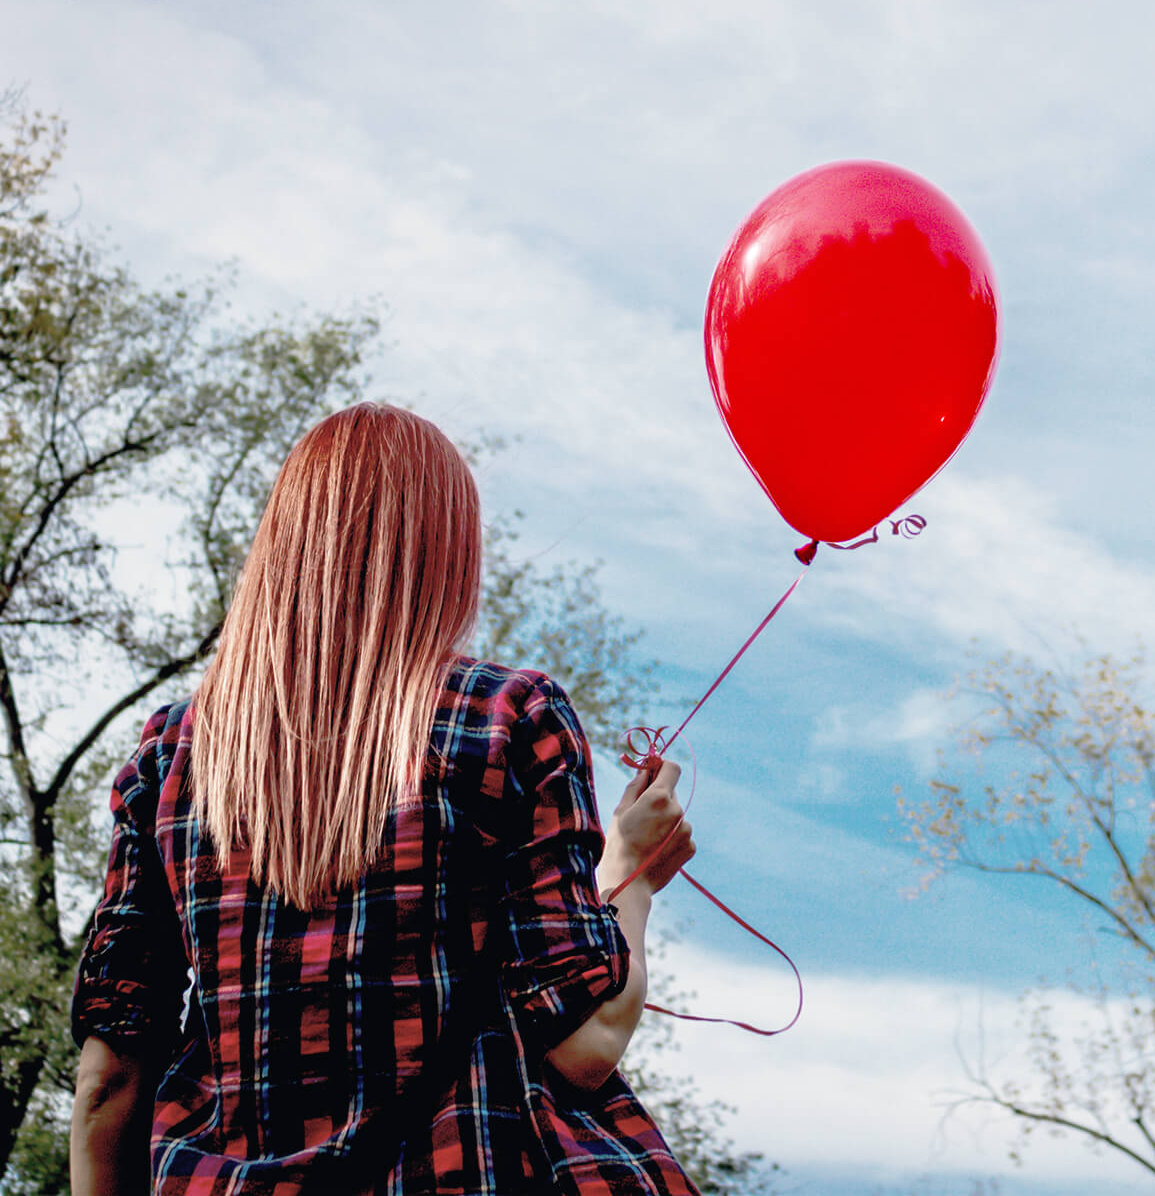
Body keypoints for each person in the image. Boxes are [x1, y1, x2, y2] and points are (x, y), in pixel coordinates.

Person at [69, 402, 699, 1195]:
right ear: (446, 555)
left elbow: (107, 1084)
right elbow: (585, 1043)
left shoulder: (167, 760)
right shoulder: (505, 717)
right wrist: (632, 870)